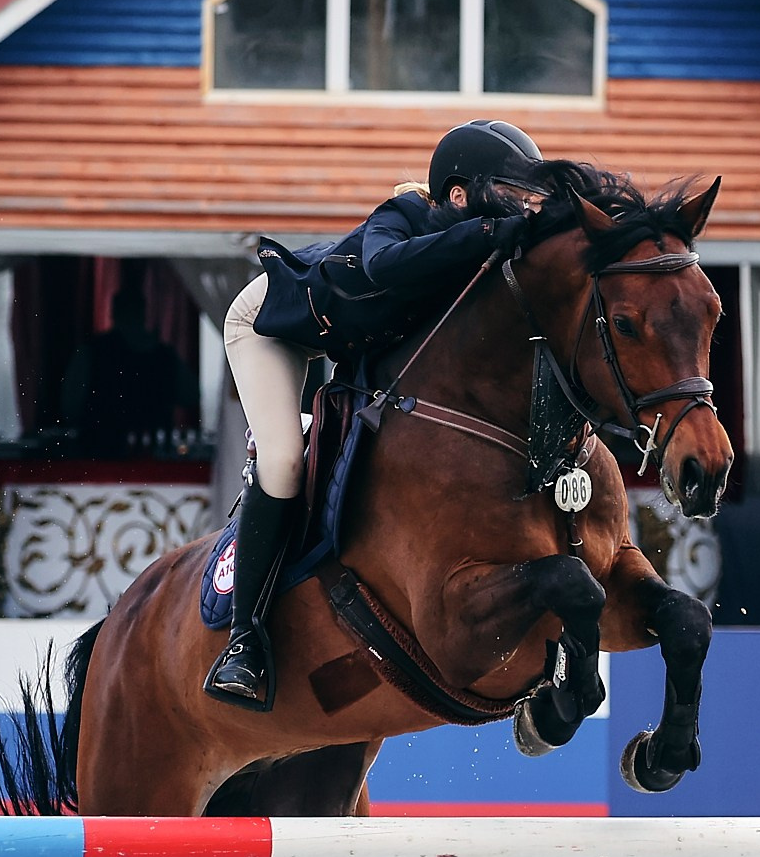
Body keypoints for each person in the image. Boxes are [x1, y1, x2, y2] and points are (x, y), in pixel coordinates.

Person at [205, 120, 548, 709]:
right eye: (509, 196)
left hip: (344, 341)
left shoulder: (474, 246)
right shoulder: (401, 216)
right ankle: (245, 644)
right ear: (460, 195)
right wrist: (495, 231)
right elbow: (386, 268)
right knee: (285, 460)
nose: (521, 210)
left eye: (527, 199)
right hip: (269, 325)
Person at [60, 285, 200, 450]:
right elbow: (191, 395)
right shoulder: (165, 355)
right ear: (143, 313)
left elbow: (70, 407)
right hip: (150, 453)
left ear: (114, 313)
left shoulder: (92, 352)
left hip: (103, 453)